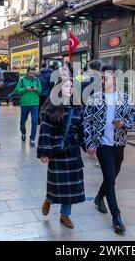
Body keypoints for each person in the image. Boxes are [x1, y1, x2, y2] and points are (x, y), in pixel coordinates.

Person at [83, 65, 135, 234]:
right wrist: (90, 143)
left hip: (119, 144)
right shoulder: (94, 99)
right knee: (110, 177)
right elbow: (87, 122)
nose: (102, 80)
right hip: (102, 145)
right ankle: (117, 217)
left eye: (105, 78)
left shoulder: (125, 98)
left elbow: (134, 118)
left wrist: (124, 124)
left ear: (114, 79)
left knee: (113, 175)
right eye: (101, 78)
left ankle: (100, 196)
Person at [37, 77, 85, 229]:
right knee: (57, 182)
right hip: (57, 150)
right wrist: (44, 153)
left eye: (72, 87)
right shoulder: (52, 106)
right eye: (66, 86)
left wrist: (88, 146)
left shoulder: (77, 106)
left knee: (70, 186)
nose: (70, 89)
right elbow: (45, 130)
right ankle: (49, 199)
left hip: (73, 151)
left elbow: (81, 128)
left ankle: (65, 214)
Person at [15, 66, 41, 146]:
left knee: (34, 121)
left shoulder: (37, 80)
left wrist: (36, 89)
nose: (32, 75)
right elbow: (17, 91)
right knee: (23, 121)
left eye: (33, 73)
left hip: (35, 104)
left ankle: (32, 139)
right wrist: (25, 89)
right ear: (27, 72)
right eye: (30, 73)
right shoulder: (22, 80)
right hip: (25, 104)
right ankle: (23, 132)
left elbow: (40, 92)